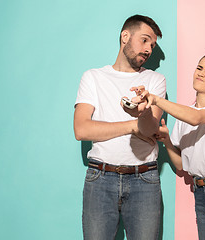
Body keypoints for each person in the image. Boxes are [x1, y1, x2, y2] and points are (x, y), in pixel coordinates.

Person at [132, 51, 205, 239]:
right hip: (201, 194)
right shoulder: (183, 117)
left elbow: (197, 118)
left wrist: (155, 100)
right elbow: (181, 165)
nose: (201, 73)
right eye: (199, 68)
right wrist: (167, 141)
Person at [73, 15, 165, 240]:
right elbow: (82, 130)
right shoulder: (93, 77)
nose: (148, 49)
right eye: (144, 40)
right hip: (100, 178)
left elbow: (149, 128)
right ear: (125, 36)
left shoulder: (155, 81)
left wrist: (142, 116)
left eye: (152, 45)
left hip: (144, 179)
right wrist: (134, 124)